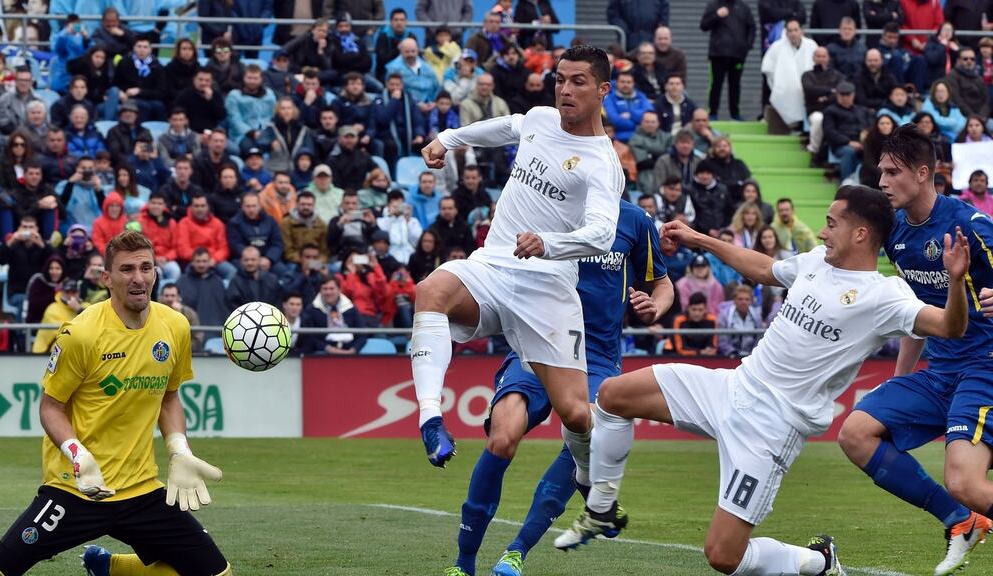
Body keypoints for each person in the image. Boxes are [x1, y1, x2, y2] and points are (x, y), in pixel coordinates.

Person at [555, 185, 971, 576]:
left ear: (860, 234)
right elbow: (763, 268)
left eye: (831, 224)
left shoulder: (885, 295)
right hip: (732, 387)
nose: (822, 232)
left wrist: (954, 282)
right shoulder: (815, 262)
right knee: (613, 394)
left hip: (771, 428)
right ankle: (602, 508)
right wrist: (699, 239)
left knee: (723, 556)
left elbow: (949, 327)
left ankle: (819, 561)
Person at [411, 46, 622, 476]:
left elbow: (602, 235)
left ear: (603, 90)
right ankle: (430, 419)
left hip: (547, 287)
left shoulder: (602, 163)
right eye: (560, 80)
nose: (565, 89)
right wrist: (449, 138)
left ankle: (589, 477)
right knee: (431, 290)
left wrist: (548, 243)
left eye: (578, 81)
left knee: (576, 413)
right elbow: (508, 126)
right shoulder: (541, 119)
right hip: (493, 266)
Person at [0, 230, 232, 575]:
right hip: (77, 487)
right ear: (107, 278)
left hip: (141, 489)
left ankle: (108, 566)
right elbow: (50, 407)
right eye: (127, 269)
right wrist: (78, 454)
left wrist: (179, 450)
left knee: (217, 573)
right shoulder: (80, 333)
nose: (138, 278)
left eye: (146, 268)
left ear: (156, 273)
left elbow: (169, 398)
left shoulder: (175, 326)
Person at [446, 198, 672, 576]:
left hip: (596, 356)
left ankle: (516, 552)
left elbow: (662, 283)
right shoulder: (545, 206)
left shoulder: (634, 220)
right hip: (538, 338)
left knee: (584, 433)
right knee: (502, 436)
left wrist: (656, 306)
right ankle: (463, 564)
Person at [839, 125, 993, 576]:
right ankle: (961, 521)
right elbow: (917, 315)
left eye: (893, 172)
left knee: (964, 480)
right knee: (855, 433)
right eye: (880, 172)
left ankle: (966, 506)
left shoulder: (970, 225)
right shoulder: (897, 235)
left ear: (923, 173)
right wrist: (901, 380)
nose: (882, 182)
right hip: (940, 372)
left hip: (984, 368)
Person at [700, 0, 756, 121]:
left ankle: (735, 114)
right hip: (718, 54)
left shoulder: (743, 7)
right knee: (716, 84)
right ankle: (713, 112)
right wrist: (717, 15)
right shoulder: (714, 5)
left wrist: (747, 46)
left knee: (735, 84)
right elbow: (704, 25)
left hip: (738, 55)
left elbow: (752, 27)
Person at [761, 17, 818, 128]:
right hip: (784, 91)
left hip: (806, 90)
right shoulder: (776, 47)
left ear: (801, 31)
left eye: (795, 30)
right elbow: (768, 69)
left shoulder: (811, 45)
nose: (793, 34)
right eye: (790, 31)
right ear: (786, 33)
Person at [176, 193, 235, 280]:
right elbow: (183, 249)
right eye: (196, 206)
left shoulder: (218, 224)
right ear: (191, 207)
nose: (200, 209)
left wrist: (214, 259)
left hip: (214, 260)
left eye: (202, 206)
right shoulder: (184, 223)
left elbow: (224, 248)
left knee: (231, 271)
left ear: (208, 207)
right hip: (193, 261)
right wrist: (200, 260)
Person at [303, 275, 367, 354]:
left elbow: (362, 333)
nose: (328, 292)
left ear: (339, 290)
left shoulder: (350, 308)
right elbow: (310, 336)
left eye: (331, 288)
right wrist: (327, 348)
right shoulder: (312, 309)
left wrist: (353, 350)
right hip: (323, 352)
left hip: (350, 351)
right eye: (325, 289)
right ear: (320, 290)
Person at [823, 81, 870, 182]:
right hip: (841, 145)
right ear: (837, 95)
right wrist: (848, 142)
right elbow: (829, 132)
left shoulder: (862, 110)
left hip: (862, 143)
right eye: (842, 94)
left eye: (847, 94)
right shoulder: (830, 111)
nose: (845, 98)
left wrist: (865, 141)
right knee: (849, 152)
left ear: (853, 95)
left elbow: (869, 127)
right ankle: (846, 183)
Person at [175, 246, 231, 327]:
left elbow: (223, 309)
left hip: (215, 329)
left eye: (204, 261)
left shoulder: (218, 282)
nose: (201, 264)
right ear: (192, 262)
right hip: (190, 329)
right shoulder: (182, 281)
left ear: (209, 262)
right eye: (198, 261)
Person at [32, 277, 85, 353]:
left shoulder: (86, 307)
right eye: (67, 292)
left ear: (79, 293)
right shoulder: (53, 308)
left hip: (79, 351)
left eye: (74, 292)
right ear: (62, 292)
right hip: (49, 353)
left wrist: (79, 310)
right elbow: (64, 332)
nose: (71, 295)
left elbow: (93, 327)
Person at [282, 190, 329, 264]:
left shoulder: (321, 225)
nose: (306, 207)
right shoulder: (286, 223)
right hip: (294, 261)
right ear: (297, 204)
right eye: (303, 204)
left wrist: (316, 263)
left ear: (314, 206)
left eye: (309, 205)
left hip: (315, 262)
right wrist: (305, 262)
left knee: (333, 269)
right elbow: (288, 250)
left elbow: (324, 251)